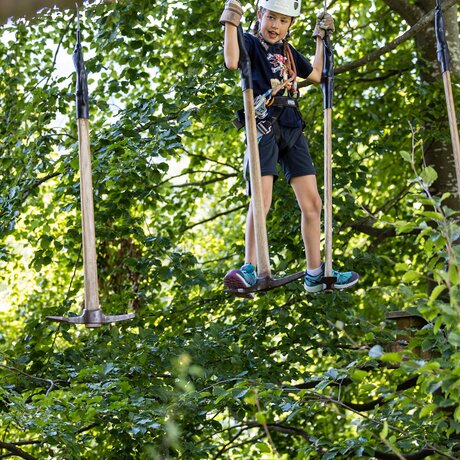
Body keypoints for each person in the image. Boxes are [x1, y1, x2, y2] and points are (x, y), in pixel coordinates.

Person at [220, 0, 359, 293]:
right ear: (260, 15)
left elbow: (318, 74)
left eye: (283, 21)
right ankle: (249, 267)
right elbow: (232, 61)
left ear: (289, 25)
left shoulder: (288, 51)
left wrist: (320, 39)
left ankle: (314, 273)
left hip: (292, 125)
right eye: (271, 18)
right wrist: (231, 20)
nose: (275, 26)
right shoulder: (249, 42)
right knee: (263, 200)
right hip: (264, 124)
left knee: (313, 204)